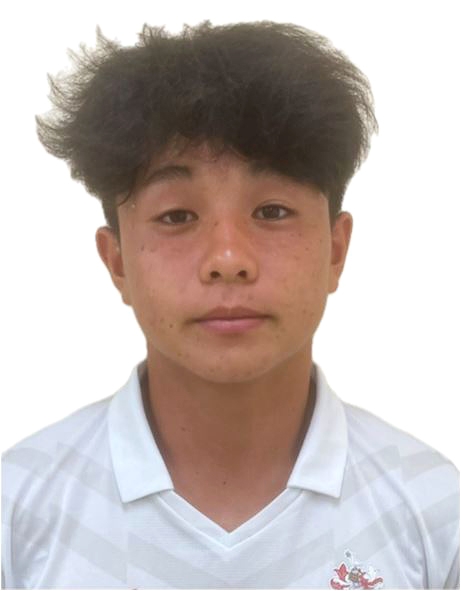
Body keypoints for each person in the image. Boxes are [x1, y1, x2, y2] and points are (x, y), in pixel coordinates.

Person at [1, 20, 458, 590]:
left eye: (272, 211)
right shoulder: (18, 510)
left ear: (336, 250)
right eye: (176, 216)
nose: (227, 258)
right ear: (116, 261)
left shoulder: (436, 511)